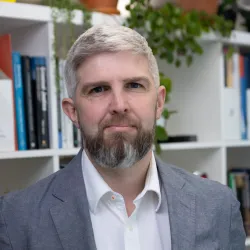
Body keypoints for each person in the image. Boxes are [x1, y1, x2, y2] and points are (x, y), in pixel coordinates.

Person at [0, 24, 246, 250]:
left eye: (134, 86)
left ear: (159, 102)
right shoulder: (15, 219)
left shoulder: (218, 206)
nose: (119, 105)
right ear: (72, 111)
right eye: (98, 89)